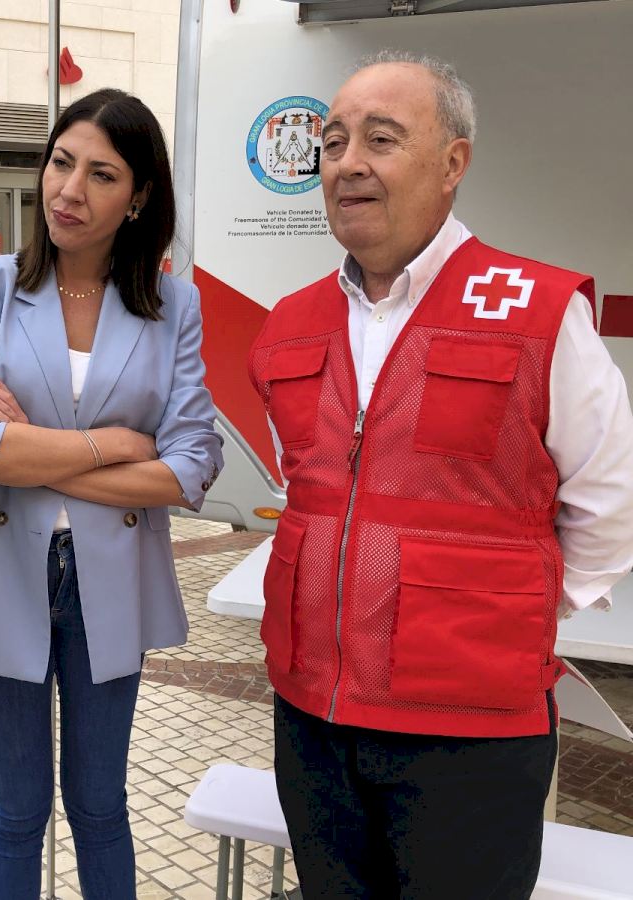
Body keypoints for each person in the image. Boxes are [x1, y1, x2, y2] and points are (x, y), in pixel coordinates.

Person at [248, 51, 633, 899]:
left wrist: (507, 604)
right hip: (313, 722)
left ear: (453, 163)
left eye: (381, 139)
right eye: (334, 140)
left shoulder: (534, 310)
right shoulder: (288, 325)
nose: (348, 162)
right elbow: (308, 488)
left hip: (471, 736)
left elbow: (611, 497)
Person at [0, 88, 224, 900]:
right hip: (1, 566)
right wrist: (117, 445)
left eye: (101, 174)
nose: (68, 191)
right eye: (60, 162)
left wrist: (33, 453)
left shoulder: (172, 305)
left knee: (100, 805)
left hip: (109, 575)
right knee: (16, 811)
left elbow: (192, 465)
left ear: (140, 197)